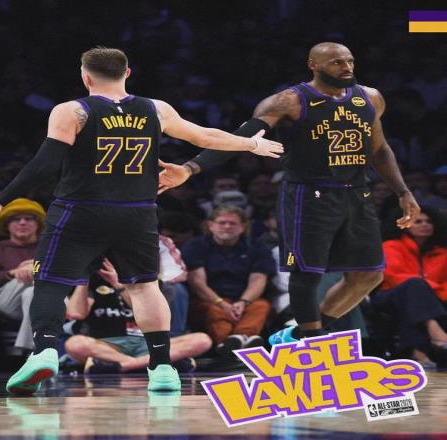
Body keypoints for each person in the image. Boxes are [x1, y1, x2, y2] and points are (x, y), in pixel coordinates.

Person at [0, 47, 282, 394]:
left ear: (85, 76)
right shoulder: (155, 108)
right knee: (145, 287)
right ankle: (162, 367)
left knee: (50, 283)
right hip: (136, 212)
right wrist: (249, 144)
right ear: (127, 73)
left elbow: (44, 164)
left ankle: (44, 353)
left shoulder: (72, 110)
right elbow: (205, 136)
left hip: (80, 210)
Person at [158, 42, 420, 343]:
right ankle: (312, 341)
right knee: (307, 274)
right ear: (314, 65)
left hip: (356, 193)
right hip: (309, 195)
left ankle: (299, 333)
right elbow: (240, 138)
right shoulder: (288, 101)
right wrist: (190, 168)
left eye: (350, 61)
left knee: (369, 275)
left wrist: (403, 191)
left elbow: (380, 149)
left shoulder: (370, 97)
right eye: (337, 62)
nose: (347, 68)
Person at [65, 258, 212, 374]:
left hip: (151, 344)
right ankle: (157, 364)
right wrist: (84, 278)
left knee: (202, 340)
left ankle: (123, 366)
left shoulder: (149, 284)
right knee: (74, 344)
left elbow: (153, 315)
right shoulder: (93, 283)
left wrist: (119, 285)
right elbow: (76, 313)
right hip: (108, 346)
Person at [182, 206, 275, 356]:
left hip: (244, 300)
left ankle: (240, 338)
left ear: (243, 227)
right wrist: (221, 303)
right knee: (213, 311)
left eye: (232, 223)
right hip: (210, 299)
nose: (227, 226)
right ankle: (228, 342)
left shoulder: (258, 247)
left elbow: (258, 279)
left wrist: (243, 302)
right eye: (222, 222)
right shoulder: (195, 246)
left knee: (261, 306)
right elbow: (197, 283)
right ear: (210, 225)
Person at [371, 207, 447, 367]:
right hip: (389, 295)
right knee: (414, 286)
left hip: (428, 301)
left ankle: (418, 352)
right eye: (418, 221)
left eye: (429, 221)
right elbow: (391, 276)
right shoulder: (391, 246)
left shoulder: (443, 254)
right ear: (405, 225)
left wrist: (432, 291)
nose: (425, 224)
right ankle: (436, 334)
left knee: (417, 298)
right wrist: (430, 288)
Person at [0, 198, 46, 352]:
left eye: (29, 218)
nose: (22, 222)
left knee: (32, 293)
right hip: (6, 302)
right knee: (33, 280)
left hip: (51, 298)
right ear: (6, 224)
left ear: (38, 223)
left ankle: (31, 352)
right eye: (16, 219)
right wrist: (14, 273)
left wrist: (35, 268)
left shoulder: (52, 248)